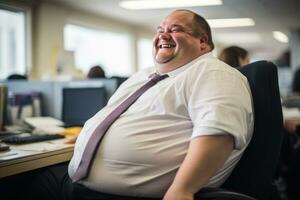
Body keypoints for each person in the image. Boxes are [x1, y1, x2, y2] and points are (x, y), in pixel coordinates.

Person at [27, 9, 253, 200]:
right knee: (31, 182)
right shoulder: (144, 76)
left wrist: (182, 190)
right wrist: (93, 133)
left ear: (203, 42)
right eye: (160, 29)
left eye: (174, 29)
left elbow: (218, 132)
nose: (163, 34)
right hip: (79, 184)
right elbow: (115, 114)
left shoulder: (213, 72)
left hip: (126, 195)